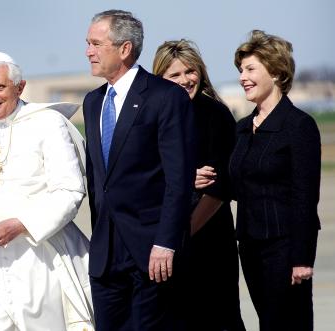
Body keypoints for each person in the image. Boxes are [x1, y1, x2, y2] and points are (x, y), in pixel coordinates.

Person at [0, 51, 94, 331]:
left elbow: (70, 190)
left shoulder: (48, 123)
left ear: (20, 87)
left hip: (40, 258)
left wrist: (23, 225)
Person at [83, 10, 195, 330]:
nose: (88, 51)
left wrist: (166, 242)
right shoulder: (93, 102)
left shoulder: (165, 97)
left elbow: (179, 180)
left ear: (124, 49)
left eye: (96, 43)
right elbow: (98, 181)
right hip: (106, 255)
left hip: (151, 252)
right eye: (87, 43)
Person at [229, 30, 321, 331]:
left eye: (250, 69)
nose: (243, 77)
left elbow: (305, 197)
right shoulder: (242, 129)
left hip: (284, 249)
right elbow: (236, 184)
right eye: (241, 70)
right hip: (251, 248)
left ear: (277, 72)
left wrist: (302, 258)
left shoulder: (298, 126)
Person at [153, 39, 246, 331]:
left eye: (189, 71)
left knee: (219, 318)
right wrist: (182, 180)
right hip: (164, 239)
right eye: (174, 75)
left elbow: (222, 185)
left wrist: (183, 234)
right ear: (160, 79)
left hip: (208, 238)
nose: (184, 80)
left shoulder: (215, 114)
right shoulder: (151, 118)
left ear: (201, 73)